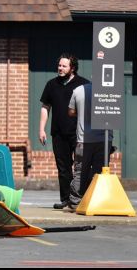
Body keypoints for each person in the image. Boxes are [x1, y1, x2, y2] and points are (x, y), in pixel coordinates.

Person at [38, 53, 88, 209]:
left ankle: (80, 199)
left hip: (78, 133)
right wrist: (41, 129)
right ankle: (66, 199)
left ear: (72, 68)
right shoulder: (51, 84)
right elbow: (45, 107)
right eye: (59, 65)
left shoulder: (83, 84)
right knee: (63, 168)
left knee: (80, 167)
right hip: (58, 133)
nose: (60, 68)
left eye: (64, 66)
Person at [67, 82, 113, 209]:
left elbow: (71, 112)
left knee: (80, 171)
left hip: (83, 139)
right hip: (103, 138)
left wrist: (83, 113)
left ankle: (76, 202)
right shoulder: (109, 92)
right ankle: (96, 202)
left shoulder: (78, 90)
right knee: (99, 172)